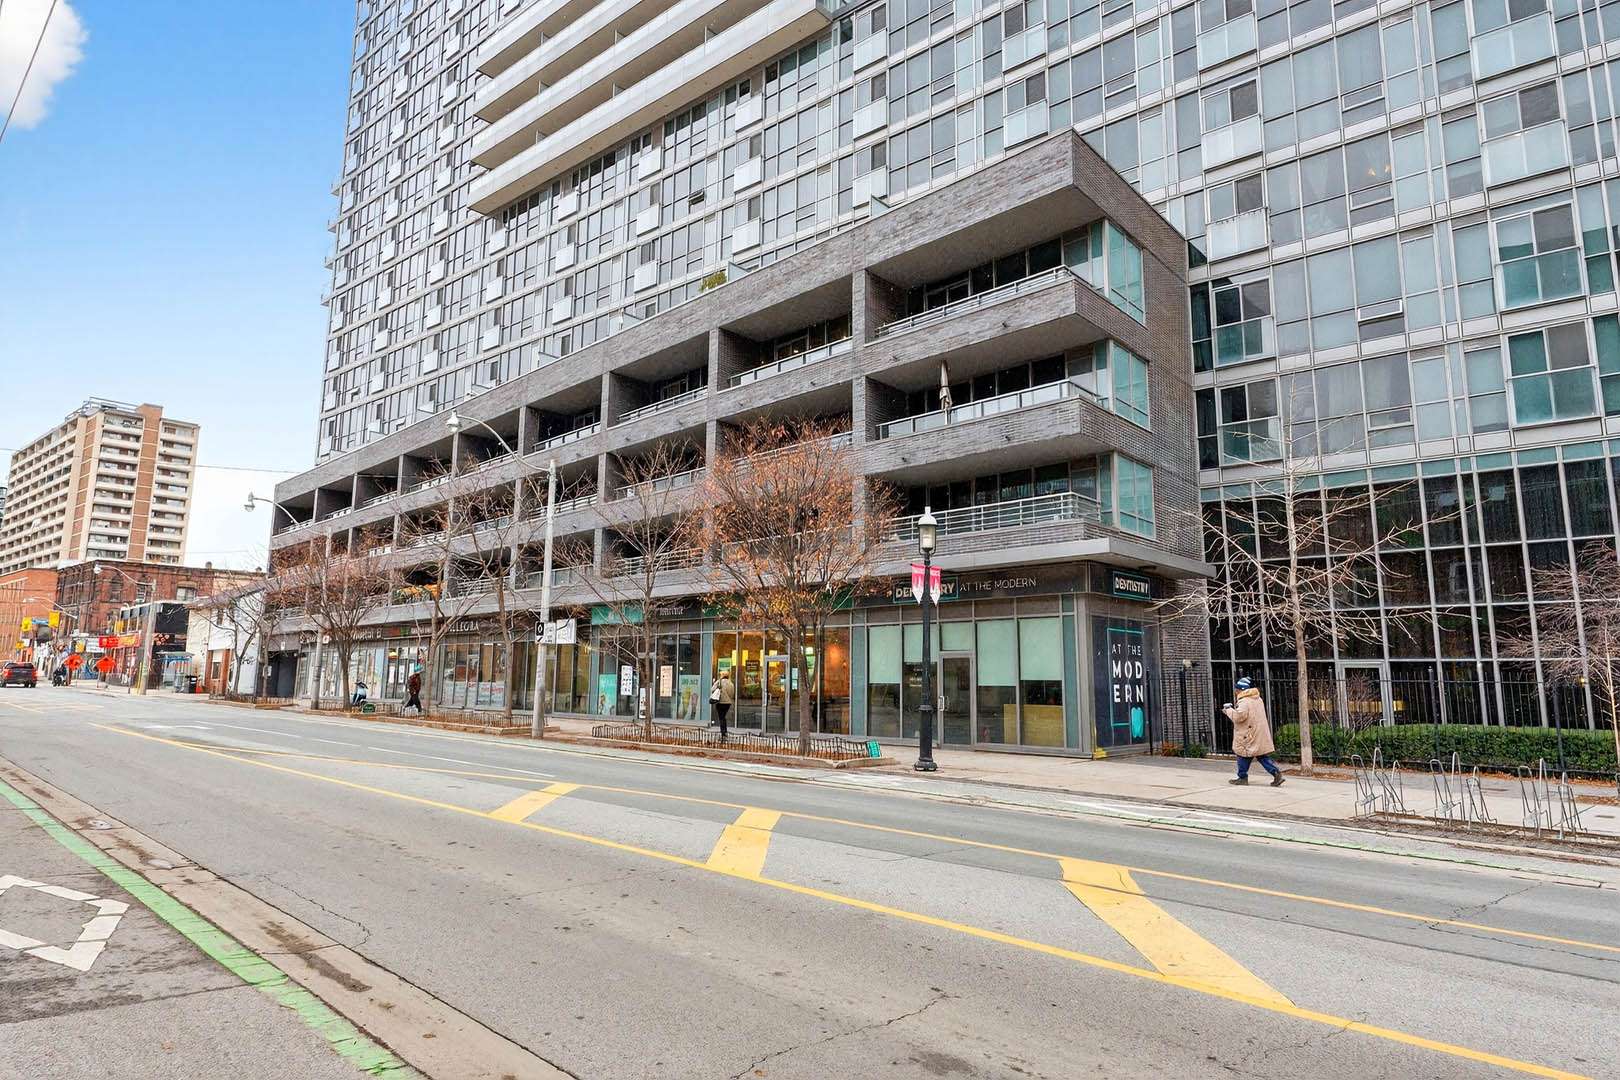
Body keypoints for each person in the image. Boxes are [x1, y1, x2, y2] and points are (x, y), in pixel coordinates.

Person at [1222, 677, 1283, 786]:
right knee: (1260, 755)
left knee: (1242, 753)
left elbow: (1239, 717)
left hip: (1248, 733)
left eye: (1236, 690)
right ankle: (1275, 773)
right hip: (1258, 732)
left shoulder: (1244, 701)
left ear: (1241, 690)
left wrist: (1228, 710)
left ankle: (1242, 777)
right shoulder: (1257, 699)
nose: (1235, 692)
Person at [711, 671, 735, 740]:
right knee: (723, 717)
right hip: (728, 703)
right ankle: (725, 732)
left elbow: (712, 689)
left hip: (720, 702)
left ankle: (723, 733)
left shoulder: (719, 682)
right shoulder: (731, 683)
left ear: (722, 675)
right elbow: (732, 694)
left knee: (721, 717)